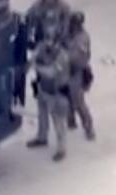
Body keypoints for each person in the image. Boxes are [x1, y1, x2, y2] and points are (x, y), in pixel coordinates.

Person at [27, 28, 71, 162]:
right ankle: (42, 138)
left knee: (59, 122)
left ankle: (61, 149)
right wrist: (30, 63)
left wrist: (36, 67)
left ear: (57, 41)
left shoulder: (62, 56)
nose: (48, 43)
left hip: (57, 93)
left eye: (50, 40)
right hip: (43, 88)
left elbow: (51, 73)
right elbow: (34, 55)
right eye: (46, 39)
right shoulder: (42, 46)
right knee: (42, 115)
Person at [65, 11, 95, 140]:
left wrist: (65, 59)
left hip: (76, 72)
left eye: (74, 23)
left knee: (78, 102)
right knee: (66, 98)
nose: (72, 25)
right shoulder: (67, 33)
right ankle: (71, 121)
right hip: (64, 71)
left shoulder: (82, 38)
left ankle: (88, 128)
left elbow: (80, 58)